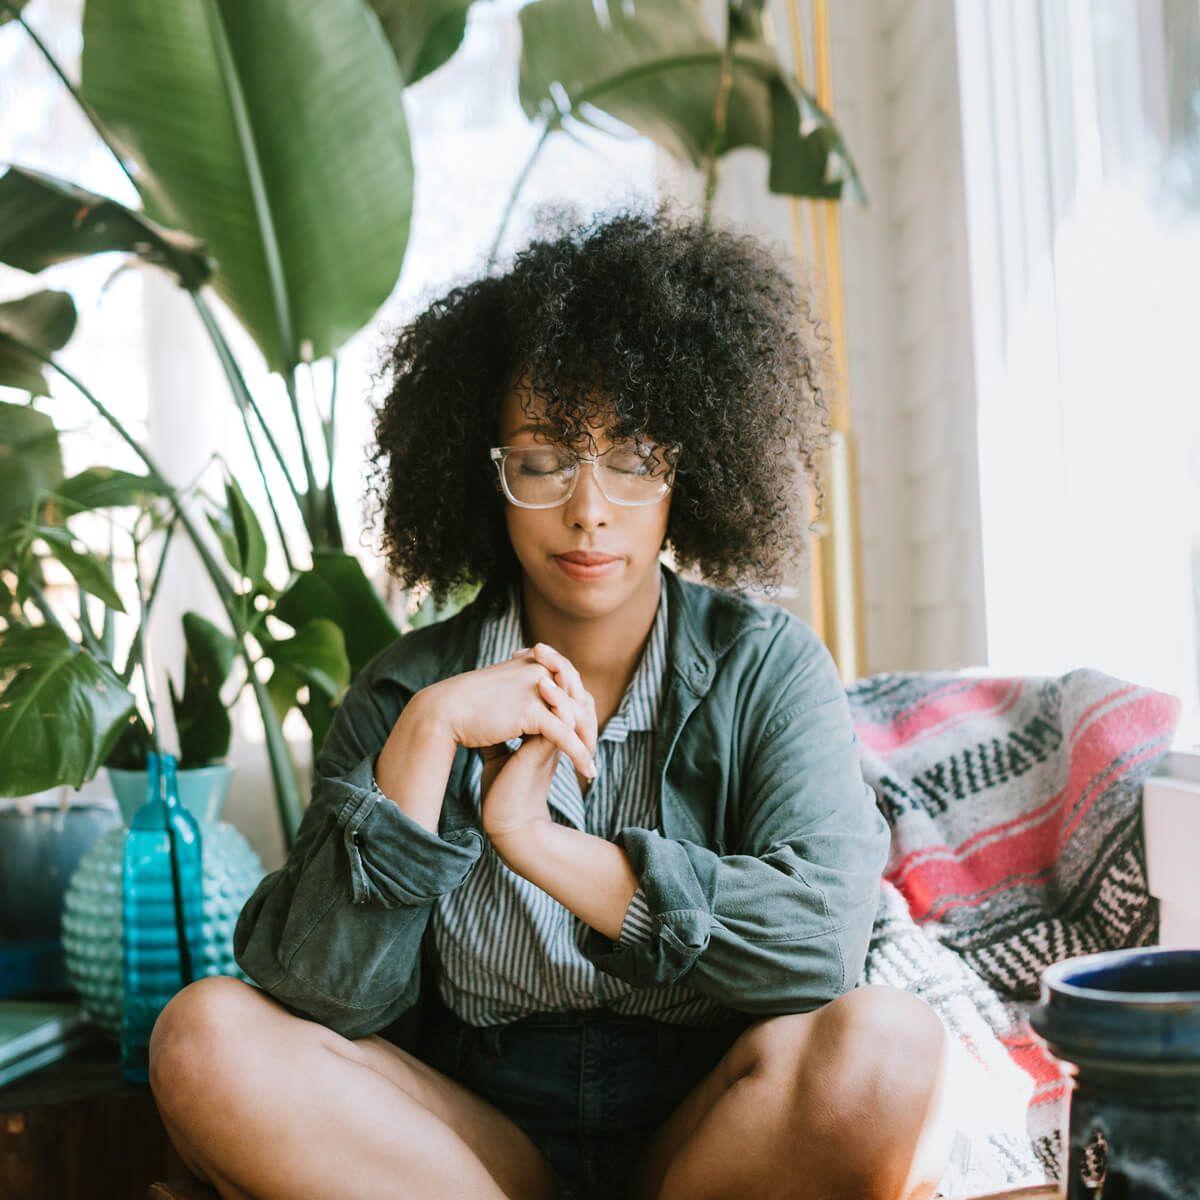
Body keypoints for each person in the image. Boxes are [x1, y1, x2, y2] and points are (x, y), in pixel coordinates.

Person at [148, 204, 952, 1200]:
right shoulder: (404, 690)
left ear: (691, 468)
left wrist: (537, 842)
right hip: (467, 1145)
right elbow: (323, 1001)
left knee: (890, 1049)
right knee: (203, 1037)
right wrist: (426, 737)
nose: (588, 510)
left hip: (709, 1134)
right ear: (484, 472)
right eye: (542, 460)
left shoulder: (768, 667)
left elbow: (819, 949)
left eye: (633, 459)